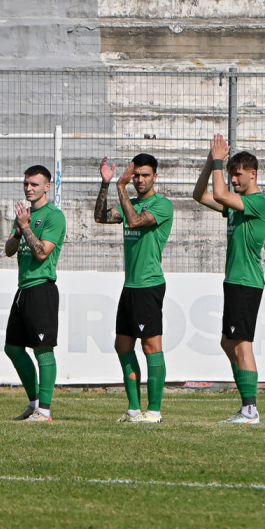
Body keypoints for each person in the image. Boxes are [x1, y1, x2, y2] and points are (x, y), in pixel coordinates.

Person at [193, 134, 265, 425]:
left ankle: (250, 410)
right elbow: (200, 195)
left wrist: (218, 161)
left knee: (242, 345)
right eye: (231, 175)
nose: (234, 179)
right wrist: (210, 162)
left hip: (247, 283)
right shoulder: (238, 206)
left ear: (253, 174)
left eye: (238, 174)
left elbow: (222, 195)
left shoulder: (258, 203)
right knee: (228, 344)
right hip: (234, 282)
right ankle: (246, 405)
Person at [95, 154, 173, 424]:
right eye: (136, 175)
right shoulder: (132, 203)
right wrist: (106, 184)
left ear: (155, 177)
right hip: (130, 285)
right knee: (123, 344)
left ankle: (154, 411)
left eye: (145, 175)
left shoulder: (162, 204)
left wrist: (120, 187)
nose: (139, 180)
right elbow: (101, 218)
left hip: (149, 285)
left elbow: (137, 221)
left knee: (151, 346)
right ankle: (132, 409)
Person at [3, 165, 65, 422]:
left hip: (41, 288)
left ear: (47, 187)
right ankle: (34, 403)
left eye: (35, 184)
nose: (29, 188)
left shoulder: (54, 216)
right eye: (26, 183)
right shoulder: (24, 217)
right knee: (13, 348)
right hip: (23, 289)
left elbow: (41, 252)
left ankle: (45, 411)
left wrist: (26, 227)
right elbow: (8, 250)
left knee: (43, 349)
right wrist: (18, 230)